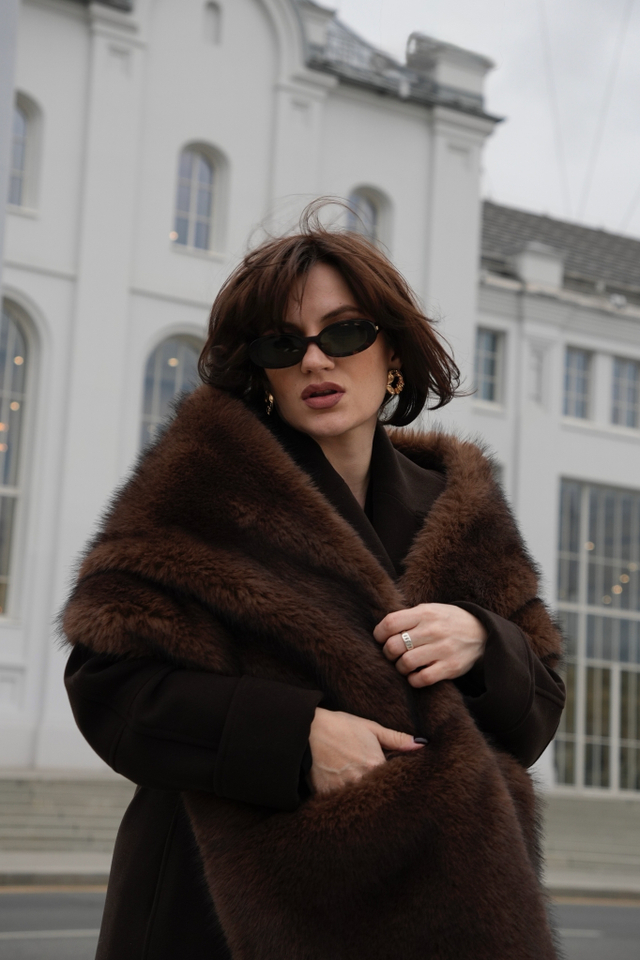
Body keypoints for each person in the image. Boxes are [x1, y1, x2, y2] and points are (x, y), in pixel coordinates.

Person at [63, 211, 565, 960]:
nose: (315, 360)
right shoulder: (199, 491)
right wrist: (292, 737)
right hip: (218, 914)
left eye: (345, 332)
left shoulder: (461, 508)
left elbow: (539, 710)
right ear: (261, 371)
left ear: (392, 348)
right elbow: (107, 688)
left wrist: (483, 641)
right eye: (282, 343)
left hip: (434, 910)